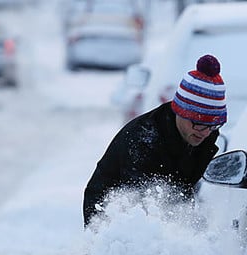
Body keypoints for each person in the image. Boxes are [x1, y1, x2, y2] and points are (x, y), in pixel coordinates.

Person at [83, 54, 227, 227]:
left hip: (159, 213)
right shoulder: (144, 139)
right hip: (110, 215)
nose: (204, 133)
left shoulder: (204, 134)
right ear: (180, 112)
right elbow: (140, 205)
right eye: (198, 124)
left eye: (212, 125)